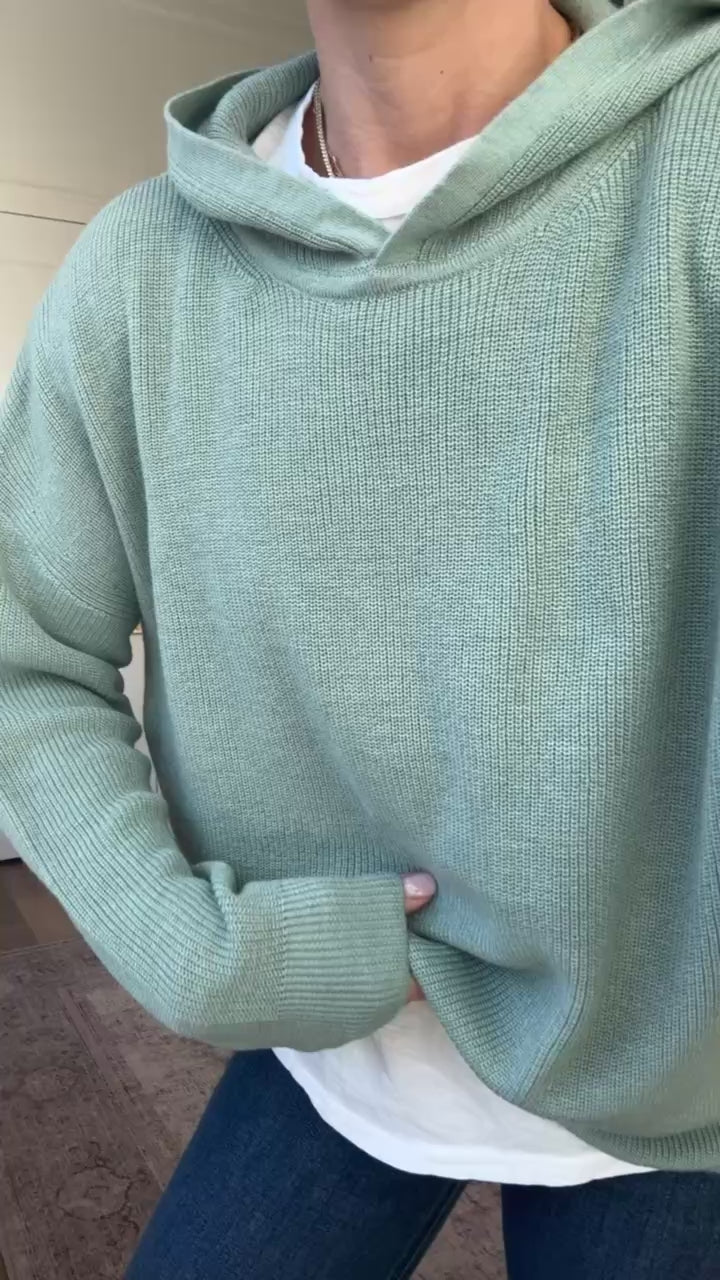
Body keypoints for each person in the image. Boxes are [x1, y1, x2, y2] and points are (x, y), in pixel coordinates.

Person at [2, 0, 720, 1274]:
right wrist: (185, 949)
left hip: (679, 1090)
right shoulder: (140, 270)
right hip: (329, 1041)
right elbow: (23, 650)